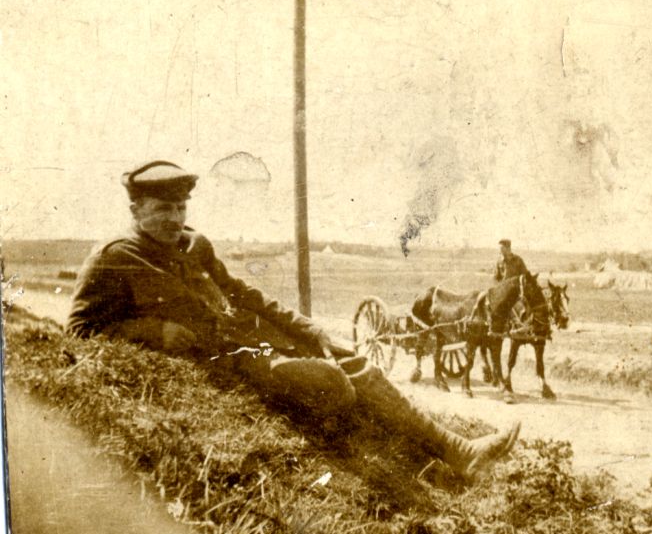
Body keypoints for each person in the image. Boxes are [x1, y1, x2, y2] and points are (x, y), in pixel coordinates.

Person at [67, 160, 519, 481]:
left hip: (254, 340)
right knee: (332, 382)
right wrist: (152, 330)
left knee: (353, 360)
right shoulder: (113, 260)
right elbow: (79, 330)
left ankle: (461, 451)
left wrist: (308, 328)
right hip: (221, 364)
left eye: (181, 208)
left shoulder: (195, 244)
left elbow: (243, 294)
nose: (175, 218)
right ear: (135, 211)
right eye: (162, 209)